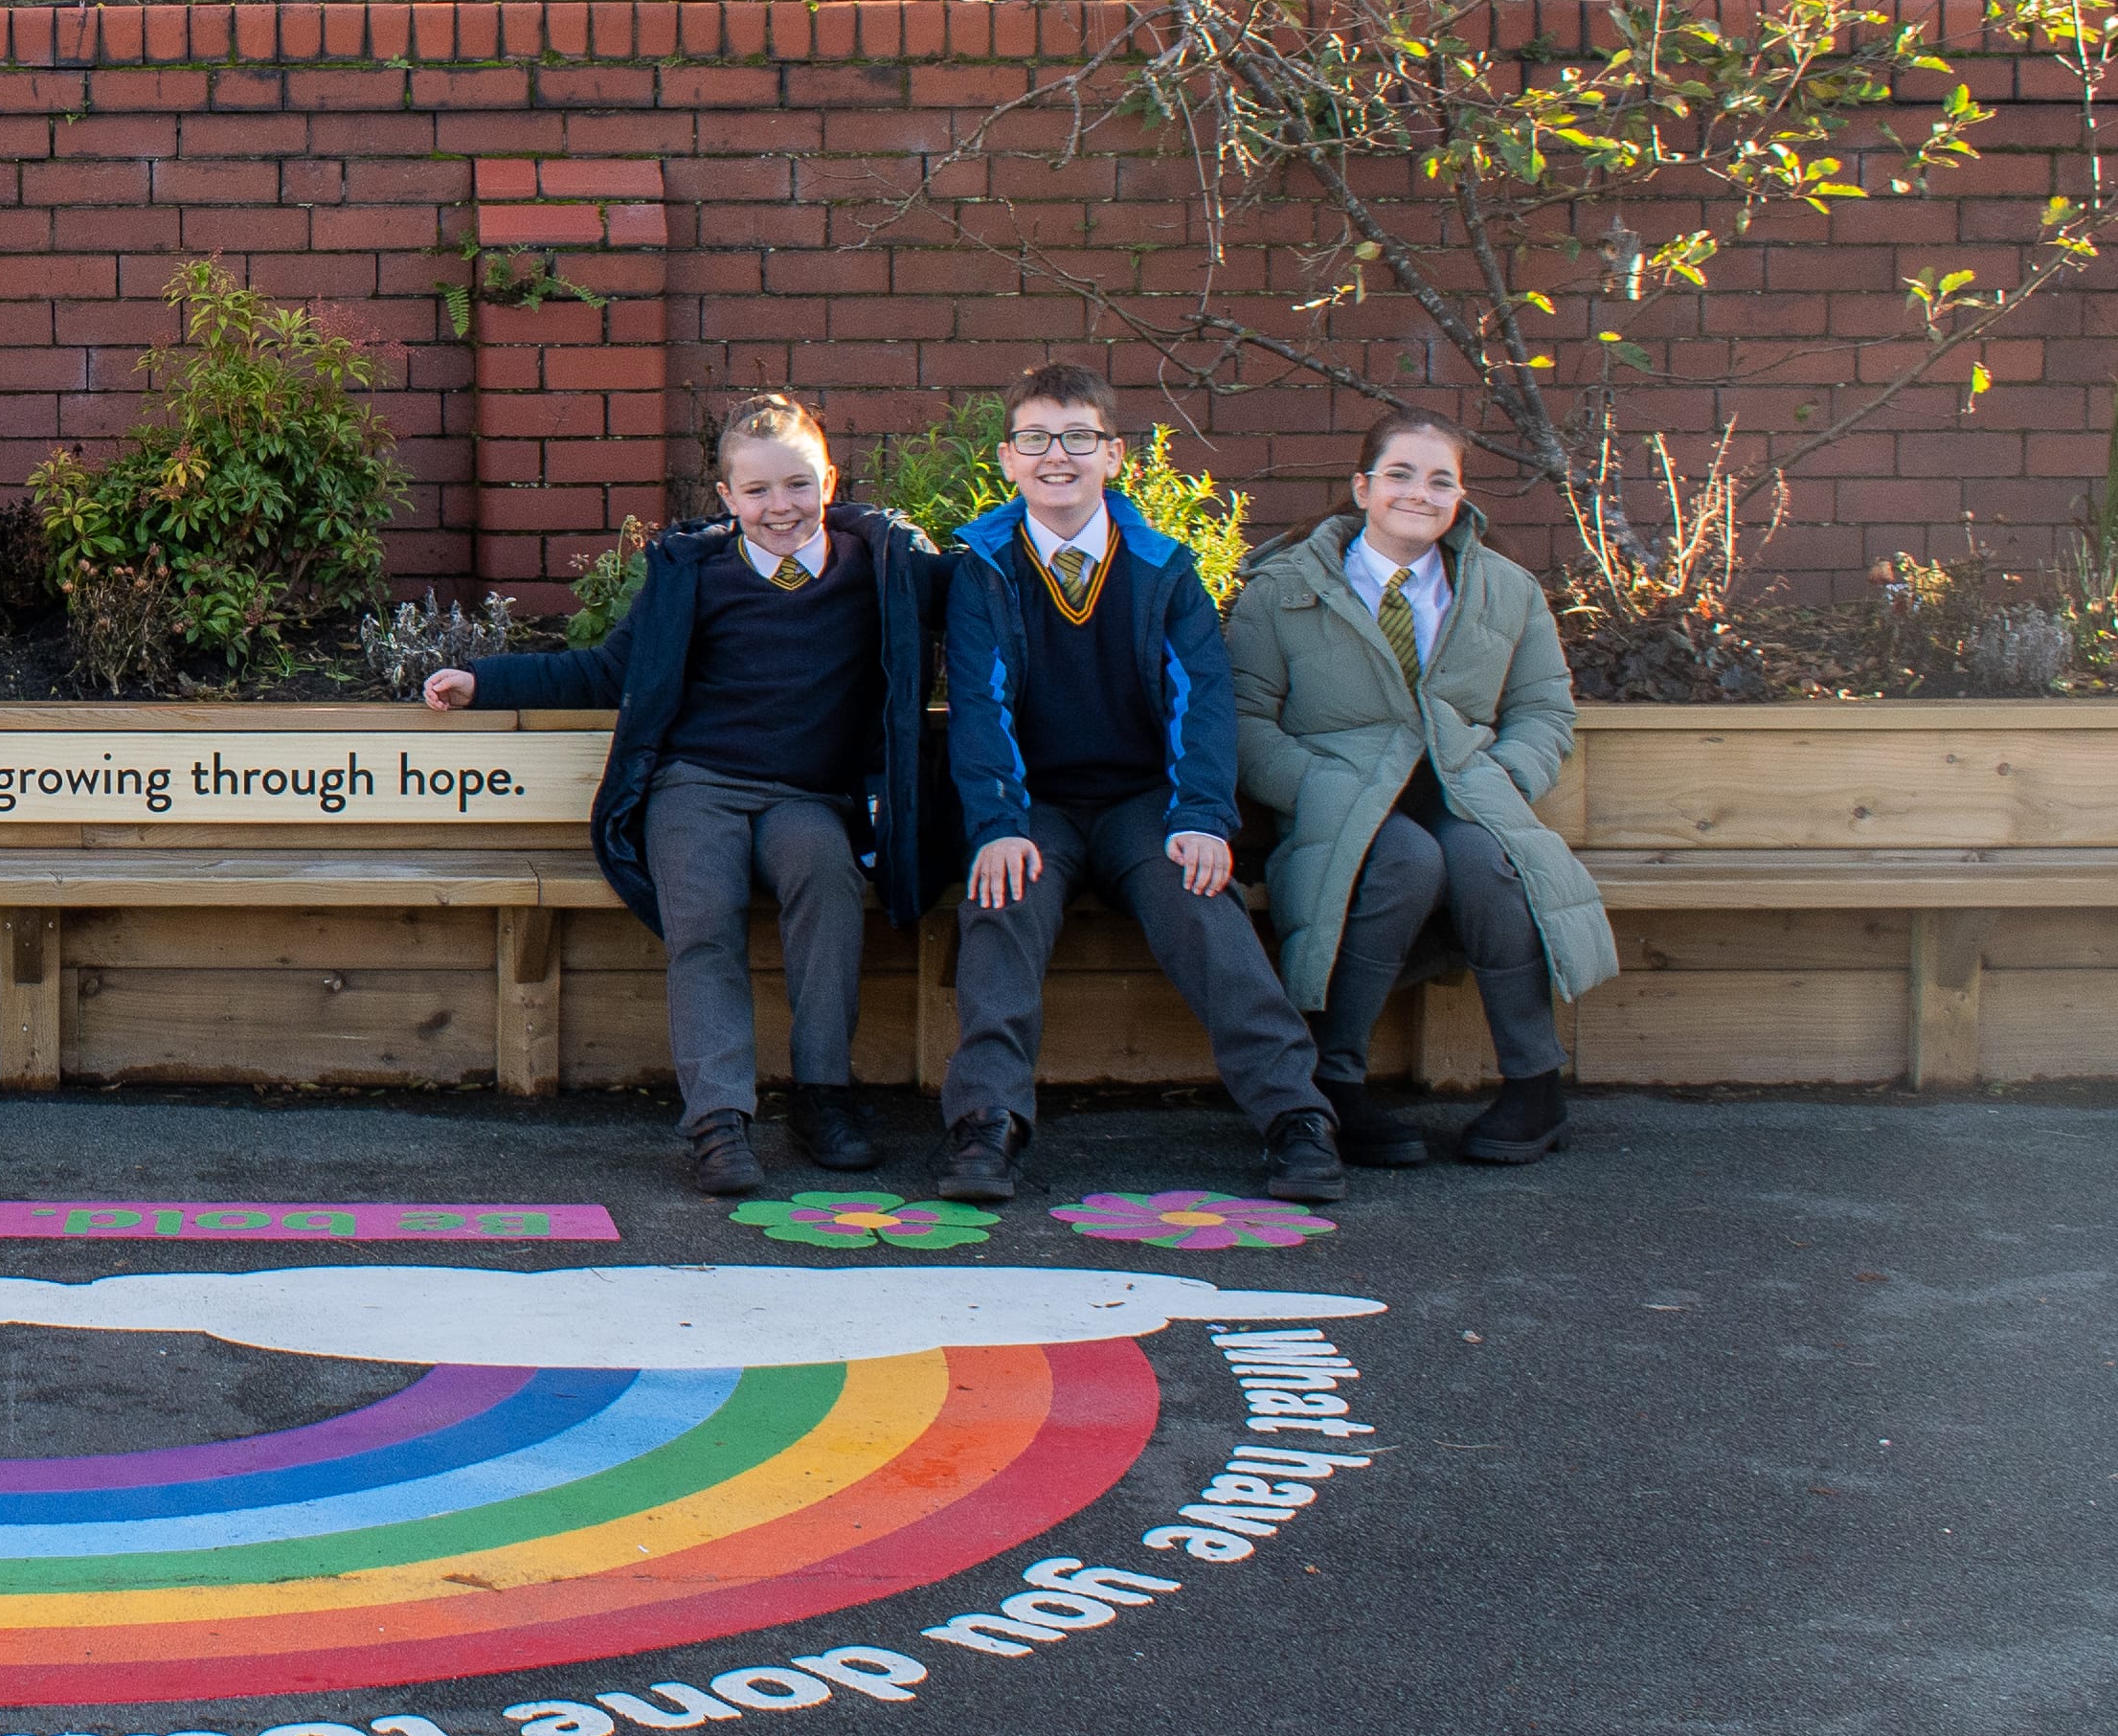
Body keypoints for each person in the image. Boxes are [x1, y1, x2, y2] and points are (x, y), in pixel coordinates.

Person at [425, 394, 949, 1192]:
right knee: (701, 918)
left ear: (829, 481)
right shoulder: (692, 577)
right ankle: (718, 1119)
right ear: (728, 500)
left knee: (829, 882)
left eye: (798, 485)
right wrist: (483, 680)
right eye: (759, 491)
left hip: (805, 795)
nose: (781, 506)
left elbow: (982, 601)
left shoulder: (880, 570)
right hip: (696, 786)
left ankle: (824, 1096)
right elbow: (606, 670)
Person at [939, 363, 1341, 1204]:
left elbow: (1203, 704)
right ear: (1007, 459)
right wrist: (997, 823)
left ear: (1114, 454)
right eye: (1036, 439)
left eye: (1078, 437)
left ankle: (1294, 1117)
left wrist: (1200, 815)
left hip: (1142, 806)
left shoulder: (1162, 569)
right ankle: (987, 1122)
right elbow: (978, 703)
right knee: (1001, 899)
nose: (1058, 456)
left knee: (1200, 900)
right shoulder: (982, 565)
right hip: (1034, 806)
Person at [1228, 407, 1615, 1165]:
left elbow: (1542, 707)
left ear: (1460, 495)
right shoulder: (1283, 589)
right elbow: (1243, 721)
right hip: (1336, 802)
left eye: (1440, 479)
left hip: (1462, 792)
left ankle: (1534, 1088)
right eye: (1399, 474)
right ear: (1362, 486)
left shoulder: (1504, 590)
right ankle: (1331, 1083)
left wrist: (1506, 774)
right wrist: (1314, 787)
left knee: (1485, 863)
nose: (1419, 492)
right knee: (1406, 860)